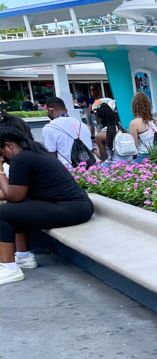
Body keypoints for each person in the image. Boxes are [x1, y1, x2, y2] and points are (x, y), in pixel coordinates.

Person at [0, 125, 94, 286]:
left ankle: (10, 269)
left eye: (2, 153)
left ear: (9, 145)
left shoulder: (21, 159)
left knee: (3, 213)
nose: (3, 158)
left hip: (70, 208)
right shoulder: (34, 152)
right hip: (77, 207)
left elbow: (14, 195)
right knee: (15, 210)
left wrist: (0, 172)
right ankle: (23, 257)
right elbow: (18, 195)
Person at [41, 96, 93, 170]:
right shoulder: (83, 125)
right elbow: (90, 149)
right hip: (91, 171)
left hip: (67, 171)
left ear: (51, 110)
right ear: (66, 110)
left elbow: (52, 157)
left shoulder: (49, 128)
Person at [128, 92, 157, 162]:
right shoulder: (155, 121)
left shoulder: (134, 123)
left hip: (143, 156)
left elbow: (134, 147)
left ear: (134, 107)